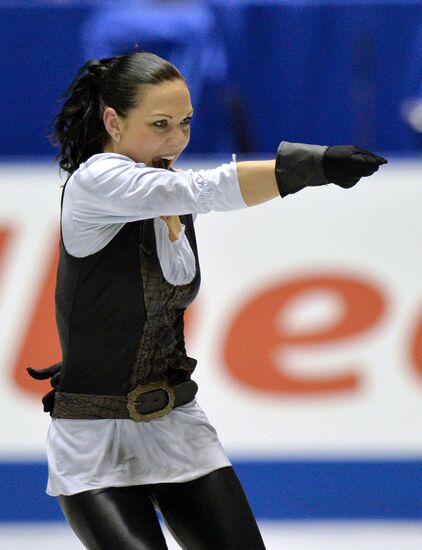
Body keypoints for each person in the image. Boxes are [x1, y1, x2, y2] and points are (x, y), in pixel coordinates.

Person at [28, 52, 387, 550]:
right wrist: (313, 166)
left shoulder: (167, 195)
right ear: (113, 121)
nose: (176, 140)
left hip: (177, 427)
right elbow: (209, 186)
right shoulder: (98, 180)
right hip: (94, 441)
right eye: (159, 125)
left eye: (185, 123)